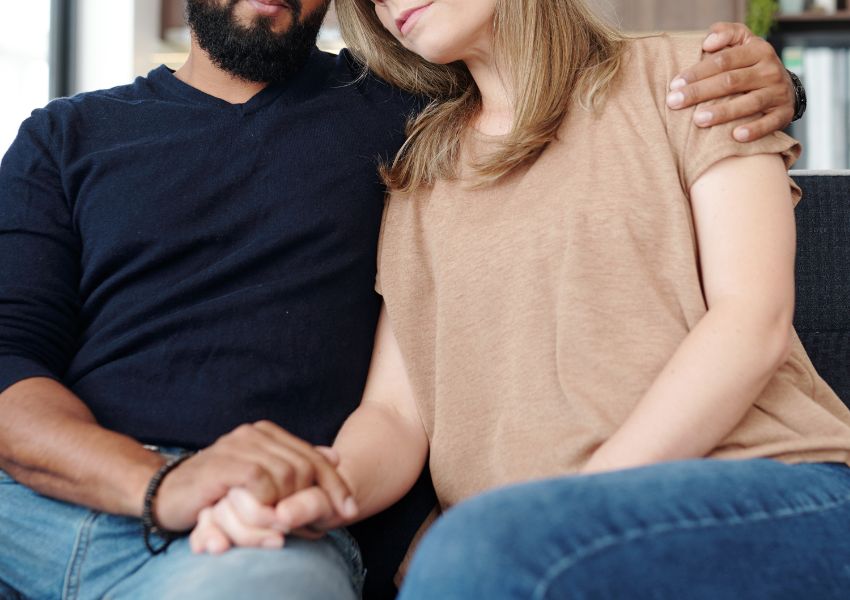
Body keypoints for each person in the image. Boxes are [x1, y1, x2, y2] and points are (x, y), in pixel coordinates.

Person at [0, 0, 804, 598]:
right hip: (53, 493)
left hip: (282, 518)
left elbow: (746, 311)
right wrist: (199, 490)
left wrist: (775, 78)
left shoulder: (403, 120)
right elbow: (7, 364)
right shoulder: (67, 137)